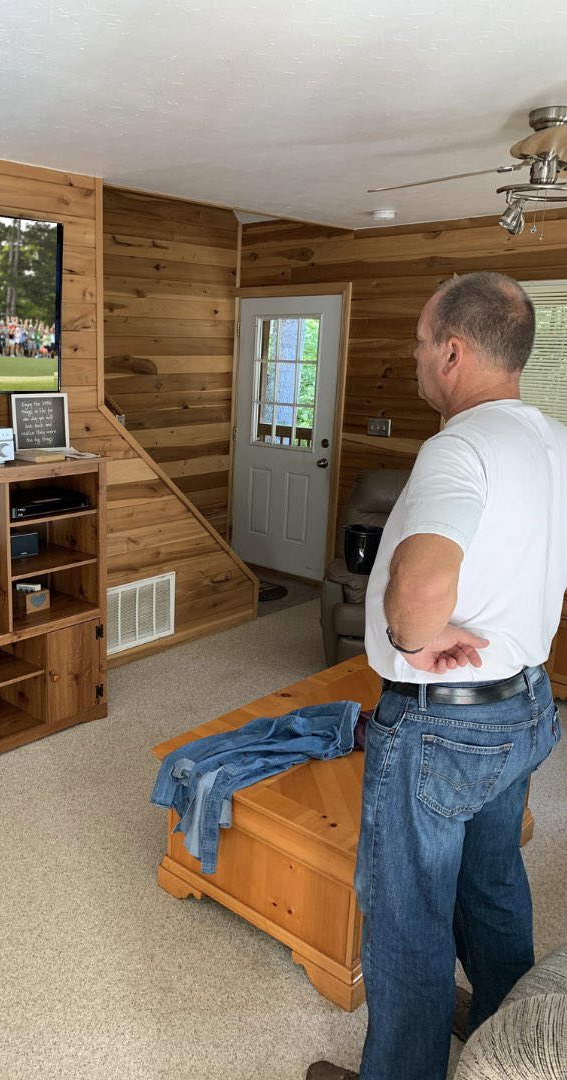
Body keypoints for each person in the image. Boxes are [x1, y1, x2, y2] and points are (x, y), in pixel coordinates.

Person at [308, 272, 567, 1080]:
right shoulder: (554, 438)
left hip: (442, 723)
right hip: (526, 704)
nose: (417, 357)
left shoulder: (459, 446)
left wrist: (409, 635)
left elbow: (419, 590)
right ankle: (499, 1030)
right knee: (490, 883)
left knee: (407, 917)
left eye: (421, 344)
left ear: (452, 351)